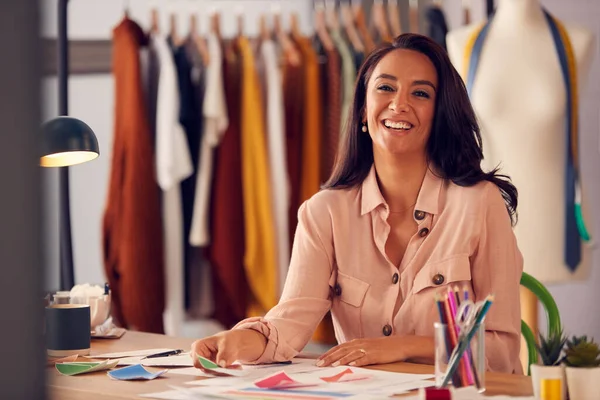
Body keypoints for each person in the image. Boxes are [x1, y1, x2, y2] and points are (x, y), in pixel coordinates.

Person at [191, 33, 524, 375]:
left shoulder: (479, 203)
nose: (399, 104)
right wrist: (235, 340)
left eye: (420, 93)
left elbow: (499, 350)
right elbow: (288, 326)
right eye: (385, 88)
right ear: (364, 110)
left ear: (439, 115)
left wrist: (399, 348)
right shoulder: (324, 213)